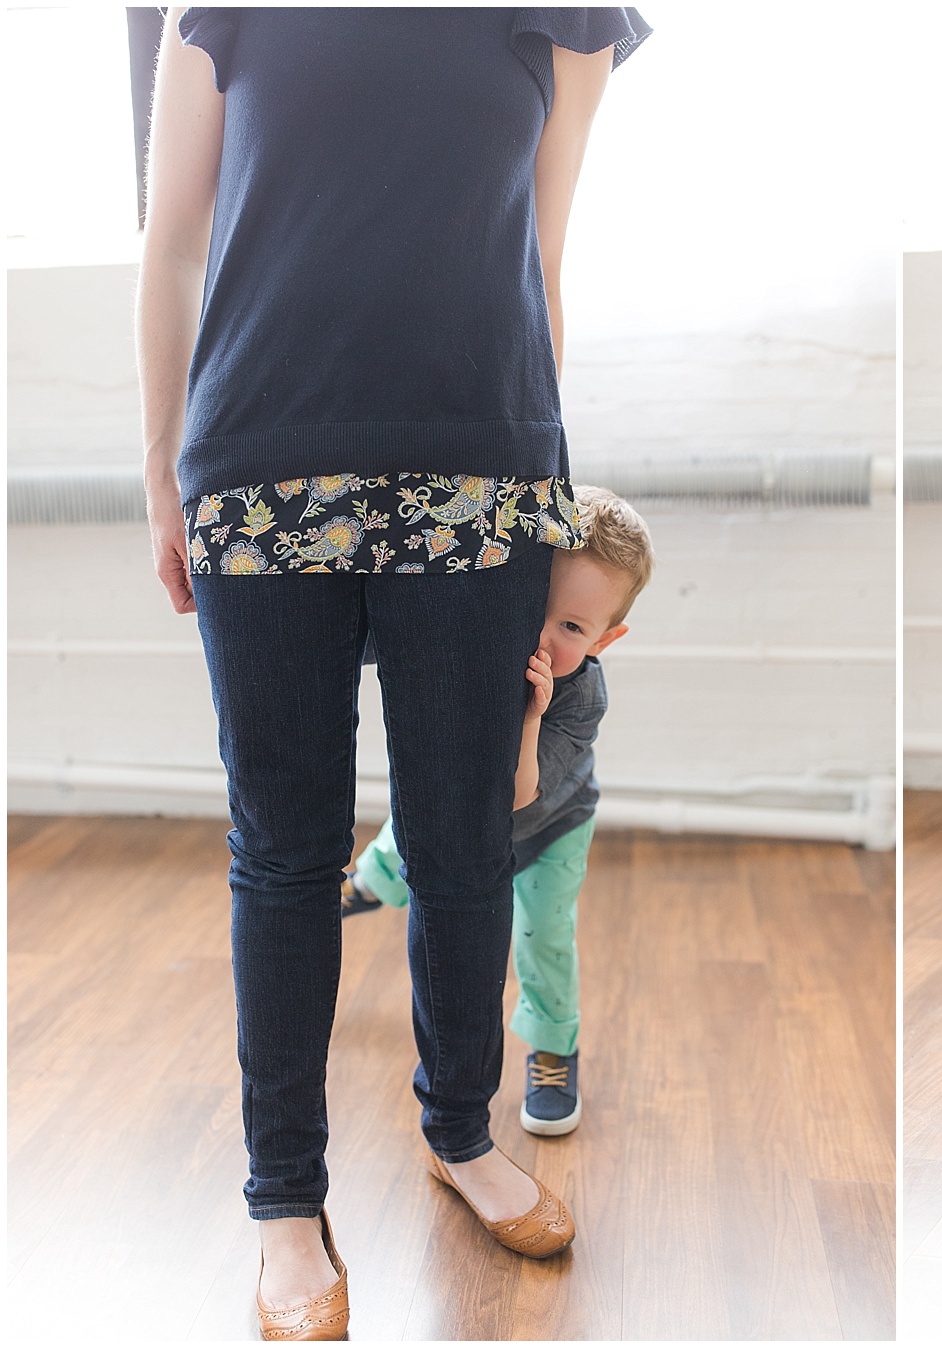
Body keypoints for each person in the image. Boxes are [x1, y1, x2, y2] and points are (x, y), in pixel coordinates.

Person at [137, 7, 649, 1338]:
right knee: (286, 851)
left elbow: (542, 253)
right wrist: (160, 478)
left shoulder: (566, 19)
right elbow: (174, 245)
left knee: (464, 835)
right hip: (259, 467)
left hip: (480, 471)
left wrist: (549, 489)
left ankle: (457, 1133)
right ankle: (284, 1200)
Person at [343, 486, 655, 1140]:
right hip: (456, 811)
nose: (543, 637)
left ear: (607, 639)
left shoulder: (579, 700)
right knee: (413, 837)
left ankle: (552, 1048)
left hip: (547, 829)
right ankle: (370, 881)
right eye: (537, 608)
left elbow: (517, 796)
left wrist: (531, 712)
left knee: (545, 936)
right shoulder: (477, 644)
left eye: (571, 628)